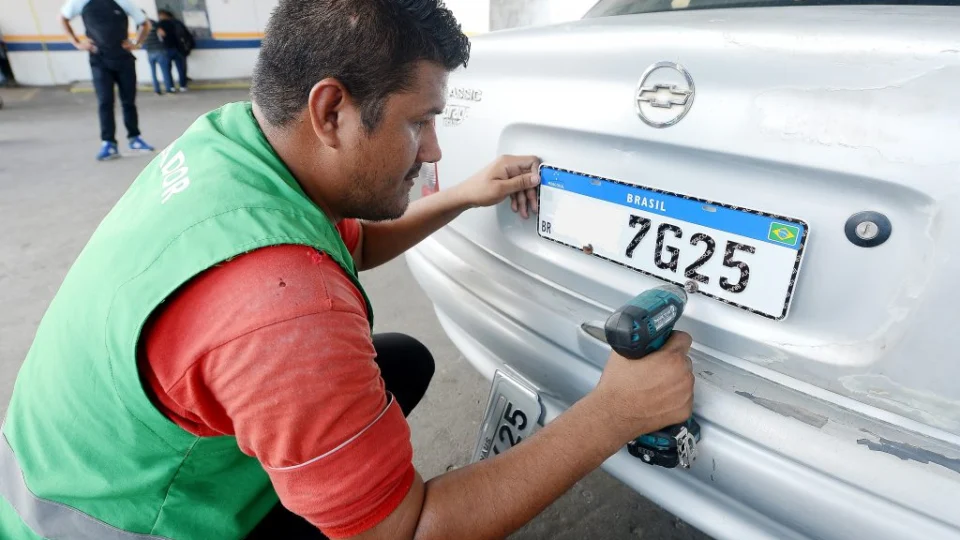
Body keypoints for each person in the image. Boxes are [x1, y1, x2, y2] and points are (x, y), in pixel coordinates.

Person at [0, 1, 695, 539]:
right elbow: (411, 529)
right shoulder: (280, 308)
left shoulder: (232, 143)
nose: (432, 152)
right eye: (418, 123)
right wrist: (614, 413)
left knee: (400, 363)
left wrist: (464, 195)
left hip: (67, 469)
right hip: (123, 524)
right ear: (331, 110)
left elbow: (351, 242)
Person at [60, 0, 156, 160]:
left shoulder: (123, 2)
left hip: (124, 59)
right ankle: (108, 143)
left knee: (129, 102)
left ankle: (135, 138)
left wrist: (136, 43)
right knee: (105, 102)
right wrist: (76, 42)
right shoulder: (80, 3)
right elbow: (62, 18)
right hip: (99, 60)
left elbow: (144, 23)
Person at [157, 9, 192, 92]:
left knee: (167, 69)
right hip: (179, 49)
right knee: (181, 68)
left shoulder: (161, 24)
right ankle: (183, 86)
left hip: (167, 49)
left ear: (163, 15)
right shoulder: (177, 23)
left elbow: (161, 35)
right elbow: (187, 35)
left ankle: (171, 87)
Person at [142, 10, 173, 95]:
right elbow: (162, 33)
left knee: (153, 72)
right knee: (165, 71)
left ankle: (157, 90)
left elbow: (141, 39)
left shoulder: (139, 25)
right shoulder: (153, 22)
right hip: (159, 50)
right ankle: (168, 89)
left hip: (149, 51)